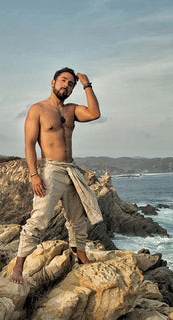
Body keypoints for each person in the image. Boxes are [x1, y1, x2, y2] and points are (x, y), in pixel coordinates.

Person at [10, 67, 103, 284]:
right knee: (39, 218)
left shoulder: (71, 110)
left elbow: (95, 113)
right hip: (51, 170)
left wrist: (86, 84)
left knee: (77, 219)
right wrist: (34, 174)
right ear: (52, 83)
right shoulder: (38, 109)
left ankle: (81, 256)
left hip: (71, 170)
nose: (66, 86)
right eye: (63, 81)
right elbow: (29, 145)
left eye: (71, 84)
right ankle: (18, 266)